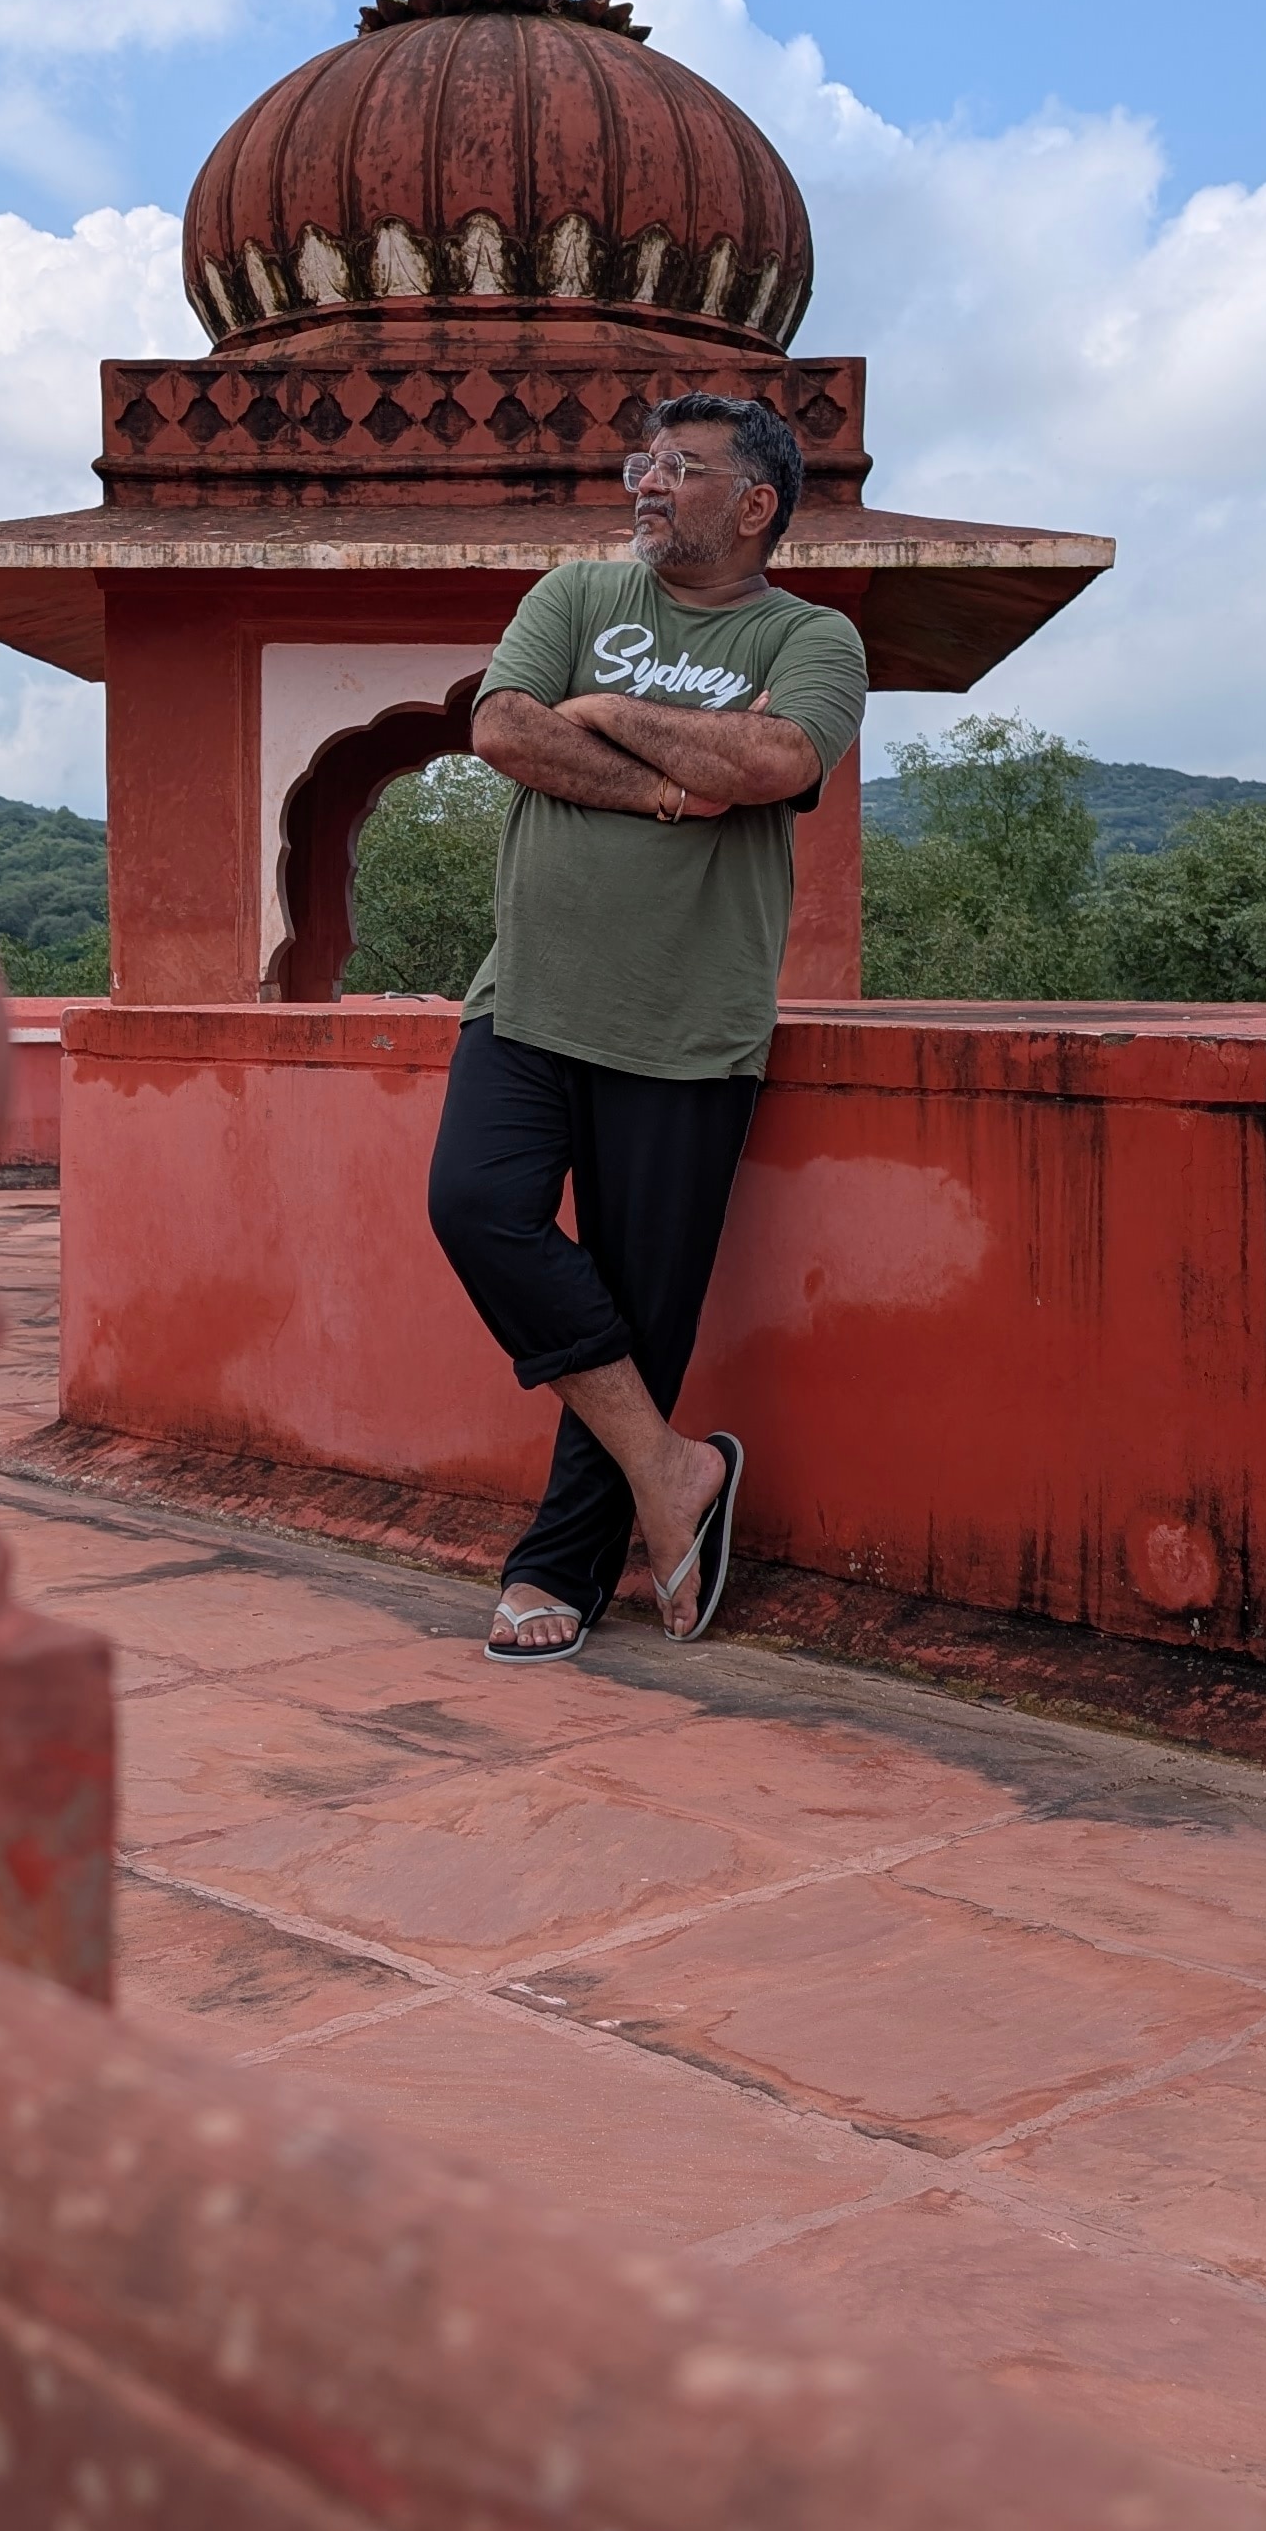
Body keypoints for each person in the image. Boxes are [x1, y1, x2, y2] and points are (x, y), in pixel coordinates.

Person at [425, 390, 869, 1661]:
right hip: (528, 997)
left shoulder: (813, 637)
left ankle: (557, 1566)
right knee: (476, 1206)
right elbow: (502, 727)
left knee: (641, 1304)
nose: (648, 483)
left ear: (756, 504)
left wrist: (604, 711)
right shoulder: (577, 595)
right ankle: (675, 1472)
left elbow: (776, 765)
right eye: (647, 462)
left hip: (689, 1026)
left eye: (682, 467)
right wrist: (676, 792)